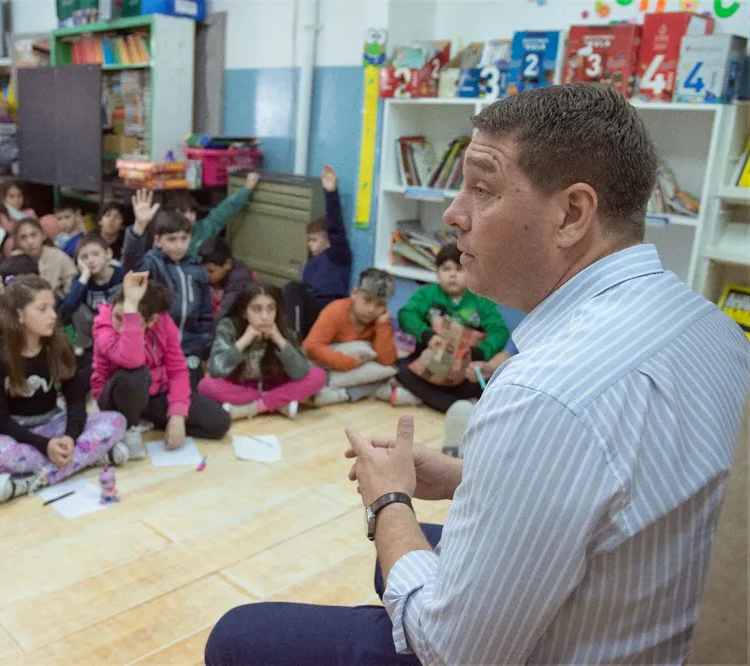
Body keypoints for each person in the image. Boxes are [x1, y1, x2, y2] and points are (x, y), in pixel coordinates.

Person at [206, 83, 750, 666]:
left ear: (570, 214)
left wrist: (388, 500)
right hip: (651, 616)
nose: (452, 213)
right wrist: (470, 474)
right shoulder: (716, 329)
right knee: (397, 558)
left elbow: (451, 652)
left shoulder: (543, 393)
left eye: (482, 187)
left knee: (239, 635)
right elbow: (620, 481)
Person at [0, 275, 129, 503]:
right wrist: (44, 446)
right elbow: (0, 420)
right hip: (13, 432)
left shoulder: (59, 344)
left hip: (53, 423)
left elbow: (76, 401)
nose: (53, 316)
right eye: (42, 309)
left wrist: (70, 437)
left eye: (53, 308)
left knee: (117, 421)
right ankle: (92, 456)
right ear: (20, 314)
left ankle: (31, 480)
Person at [92, 272, 231, 457]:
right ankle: (128, 427)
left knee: (219, 422)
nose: (121, 326)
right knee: (137, 373)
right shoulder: (104, 326)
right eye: (119, 317)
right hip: (116, 397)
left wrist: (177, 415)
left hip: (154, 395)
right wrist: (131, 312)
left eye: (131, 320)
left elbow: (178, 370)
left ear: (152, 321)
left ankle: (151, 420)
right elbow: (131, 360)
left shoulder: (164, 324)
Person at [395, 242, 510, 413]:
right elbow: (406, 314)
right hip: (433, 360)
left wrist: (479, 352)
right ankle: (456, 406)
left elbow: (499, 332)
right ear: (437, 273)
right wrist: (427, 335)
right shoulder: (427, 294)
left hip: (464, 365)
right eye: (446, 269)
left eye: (459, 269)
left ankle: (425, 398)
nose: (452, 275)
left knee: (488, 380)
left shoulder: (480, 300)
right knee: (399, 369)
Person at [199, 282, 325, 420]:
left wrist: (279, 340)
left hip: (275, 385)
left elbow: (301, 372)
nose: (265, 317)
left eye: (271, 309)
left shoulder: (283, 328)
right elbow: (216, 370)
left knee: (318, 375)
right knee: (205, 385)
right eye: (257, 309)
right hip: (242, 387)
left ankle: (254, 407)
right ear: (244, 312)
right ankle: (277, 404)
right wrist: (244, 341)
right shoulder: (228, 326)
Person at [302, 268, 402, 407]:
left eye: (380, 304)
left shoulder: (380, 320)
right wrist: (349, 362)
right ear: (354, 293)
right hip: (326, 365)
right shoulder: (336, 311)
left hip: (353, 372)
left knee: (386, 369)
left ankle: (341, 394)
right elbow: (311, 347)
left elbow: (386, 360)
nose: (371, 309)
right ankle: (360, 392)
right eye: (367, 300)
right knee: (362, 349)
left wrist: (383, 325)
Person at [121, 174, 260, 272]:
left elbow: (225, 209)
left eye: (192, 211)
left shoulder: (204, 228)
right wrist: (139, 225)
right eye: (183, 212)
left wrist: (247, 189)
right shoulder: (161, 246)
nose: (189, 216)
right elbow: (134, 264)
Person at [126, 210, 215, 362]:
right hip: (156, 345)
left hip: (190, 348)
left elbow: (205, 313)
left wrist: (204, 343)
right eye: (172, 239)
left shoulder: (197, 269)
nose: (179, 245)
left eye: (184, 238)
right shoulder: (151, 262)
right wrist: (139, 227)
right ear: (158, 241)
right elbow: (131, 266)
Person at [282, 165, 352, 339]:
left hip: (329, 313)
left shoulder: (337, 255)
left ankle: (295, 339)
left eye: (314, 240)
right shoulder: (310, 264)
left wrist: (331, 192)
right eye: (308, 240)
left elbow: (336, 227)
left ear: (328, 241)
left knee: (292, 288)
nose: (309, 245)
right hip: (310, 312)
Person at [59, 234, 124, 352]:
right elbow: (67, 306)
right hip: (95, 330)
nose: (90, 260)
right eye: (84, 257)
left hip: (120, 325)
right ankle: (87, 350)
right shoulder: (81, 280)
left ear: (108, 254)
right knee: (76, 308)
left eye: (95, 254)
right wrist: (84, 275)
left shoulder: (122, 274)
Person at [13, 218, 77, 300]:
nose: (30, 241)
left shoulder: (58, 257)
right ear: (17, 242)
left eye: (34, 235)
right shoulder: (15, 262)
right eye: (23, 238)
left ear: (43, 236)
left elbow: (72, 287)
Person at [197, 236, 257, 320]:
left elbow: (222, 314)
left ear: (227, 264)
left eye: (210, 271)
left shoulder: (239, 281)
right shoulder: (216, 268)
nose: (205, 275)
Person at [0, 179, 37, 260]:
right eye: (11, 197)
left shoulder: (30, 213)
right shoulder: (0, 217)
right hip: (7, 255)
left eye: (19, 196)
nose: (16, 200)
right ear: (4, 198)